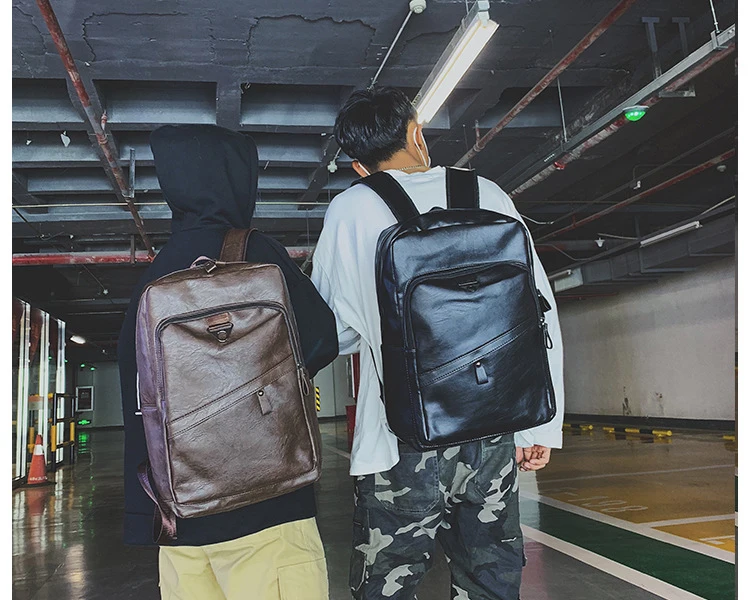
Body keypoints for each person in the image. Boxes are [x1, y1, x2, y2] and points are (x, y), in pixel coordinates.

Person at [310, 86, 564, 600]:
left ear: (359, 165)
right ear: (416, 134)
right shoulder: (487, 193)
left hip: (398, 441)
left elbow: (332, 332)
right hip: (492, 430)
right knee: (490, 580)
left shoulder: (351, 209)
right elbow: (538, 312)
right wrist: (540, 426)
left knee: (388, 583)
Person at [118, 124, 338, 600]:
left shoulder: (156, 275)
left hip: (180, 518)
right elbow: (322, 338)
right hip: (267, 508)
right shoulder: (254, 254)